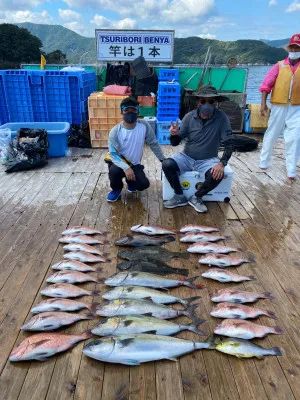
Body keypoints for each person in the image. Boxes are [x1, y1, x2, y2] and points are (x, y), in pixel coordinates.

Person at [162, 85, 233, 213]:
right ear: (198, 102)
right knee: (167, 164)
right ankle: (179, 195)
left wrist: (222, 163)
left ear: (216, 103)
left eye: (211, 101)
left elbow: (229, 143)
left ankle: (197, 197)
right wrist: (173, 134)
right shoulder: (189, 117)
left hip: (209, 159)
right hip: (186, 156)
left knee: (217, 175)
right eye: (203, 101)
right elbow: (175, 143)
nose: (207, 104)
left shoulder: (222, 118)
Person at [106, 96, 165, 202]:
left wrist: (162, 159)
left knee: (143, 184)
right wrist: (126, 168)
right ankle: (116, 189)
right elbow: (113, 154)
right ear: (121, 112)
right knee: (114, 171)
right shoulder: (115, 131)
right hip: (119, 162)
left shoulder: (144, 125)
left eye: (133, 110)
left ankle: (130, 182)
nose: (130, 112)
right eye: (126, 110)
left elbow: (153, 143)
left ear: (138, 111)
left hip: (135, 164)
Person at [259, 33, 300, 180]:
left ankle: (291, 169)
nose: (295, 50)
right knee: (272, 133)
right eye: (293, 47)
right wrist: (263, 104)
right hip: (278, 105)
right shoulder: (279, 65)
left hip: (297, 107)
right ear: (289, 48)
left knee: (295, 137)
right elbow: (265, 86)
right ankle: (263, 162)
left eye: (297, 47)